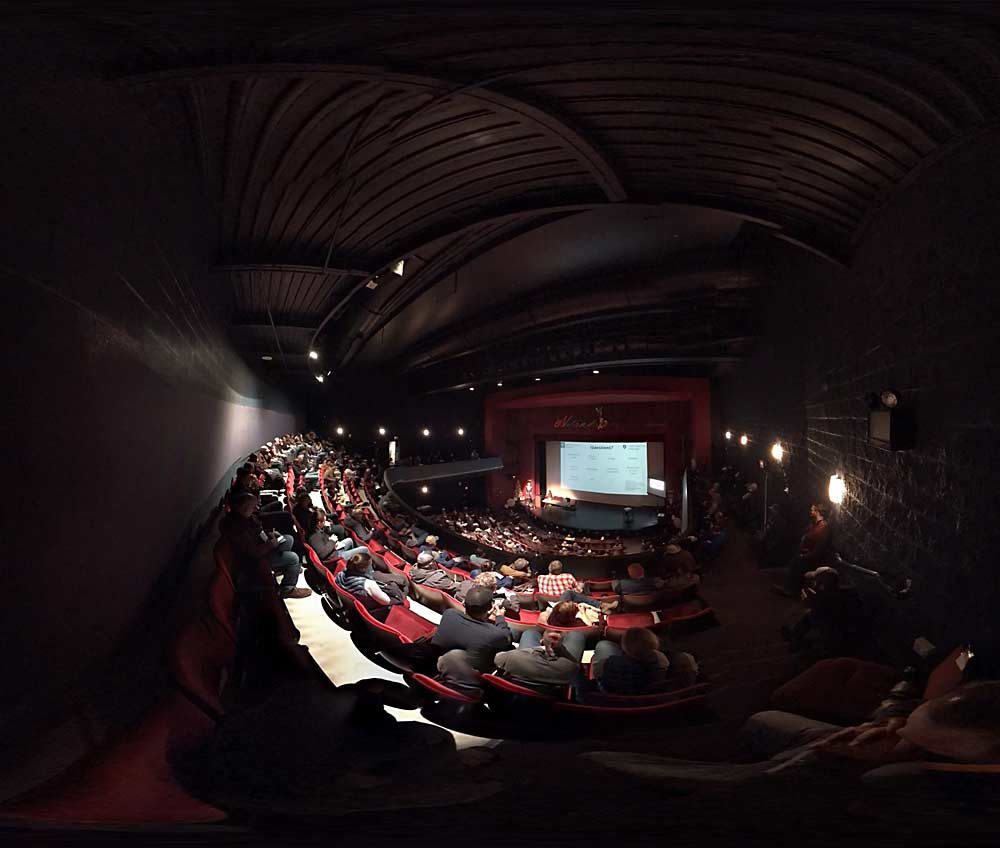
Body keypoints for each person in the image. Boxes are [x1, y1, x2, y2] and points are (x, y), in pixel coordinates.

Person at [584, 682, 1000, 789]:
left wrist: (899, 752)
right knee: (763, 720)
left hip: (874, 764)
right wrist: (893, 719)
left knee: (769, 777)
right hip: (897, 733)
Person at [220, 492, 311, 599]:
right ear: (245, 508)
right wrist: (271, 545)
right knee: (293, 558)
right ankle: (287, 589)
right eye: (253, 506)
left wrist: (270, 533)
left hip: (263, 546)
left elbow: (258, 530)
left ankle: (284, 567)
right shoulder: (237, 528)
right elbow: (253, 553)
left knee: (288, 539)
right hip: (255, 560)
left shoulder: (245, 517)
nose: (257, 508)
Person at [590, 628, 699, 694]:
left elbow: (596, 673)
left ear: (625, 650)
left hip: (617, 694)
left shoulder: (607, 666)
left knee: (603, 645)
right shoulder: (684, 663)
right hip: (661, 704)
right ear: (655, 646)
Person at [430, 586, 513, 672]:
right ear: (490, 609)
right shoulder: (493, 634)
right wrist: (500, 617)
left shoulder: (449, 614)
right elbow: (507, 637)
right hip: (468, 675)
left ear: (463, 603)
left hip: (436, 667)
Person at [493, 630, 584, 693]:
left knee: (530, 633)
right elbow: (576, 667)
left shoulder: (510, 658)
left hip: (519, 693)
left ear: (542, 642)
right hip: (551, 695)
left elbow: (498, 658)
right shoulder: (567, 669)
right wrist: (559, 648)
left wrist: (538, 649)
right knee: (576, 635)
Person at [777, 503, 833, 596]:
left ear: (818, 512)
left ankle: (792, 590)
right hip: (805, 553)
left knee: (798, 562)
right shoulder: (813, 525)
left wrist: (805, 556)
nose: (810, 512)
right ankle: (788, 587)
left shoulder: (824, 528)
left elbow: (819, 550)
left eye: (812, 510)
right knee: (794, 558)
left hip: (813, 558)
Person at [334, 552, 405, 615]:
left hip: (353, 605)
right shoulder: (368, 584)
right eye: (370, 565)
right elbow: (386, 601)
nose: (372, 567)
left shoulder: (340, 575)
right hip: (374, 610)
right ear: (363, 569)